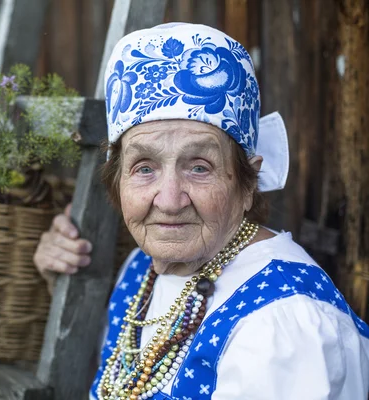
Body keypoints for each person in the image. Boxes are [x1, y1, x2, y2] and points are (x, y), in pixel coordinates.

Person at [33, 22, 369, 399]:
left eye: (199, 167)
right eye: (144, 168)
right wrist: (60, 278)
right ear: (117, 182)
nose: (169, 200)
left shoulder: (281, 323)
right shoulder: (141, 271)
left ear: (247, 183)